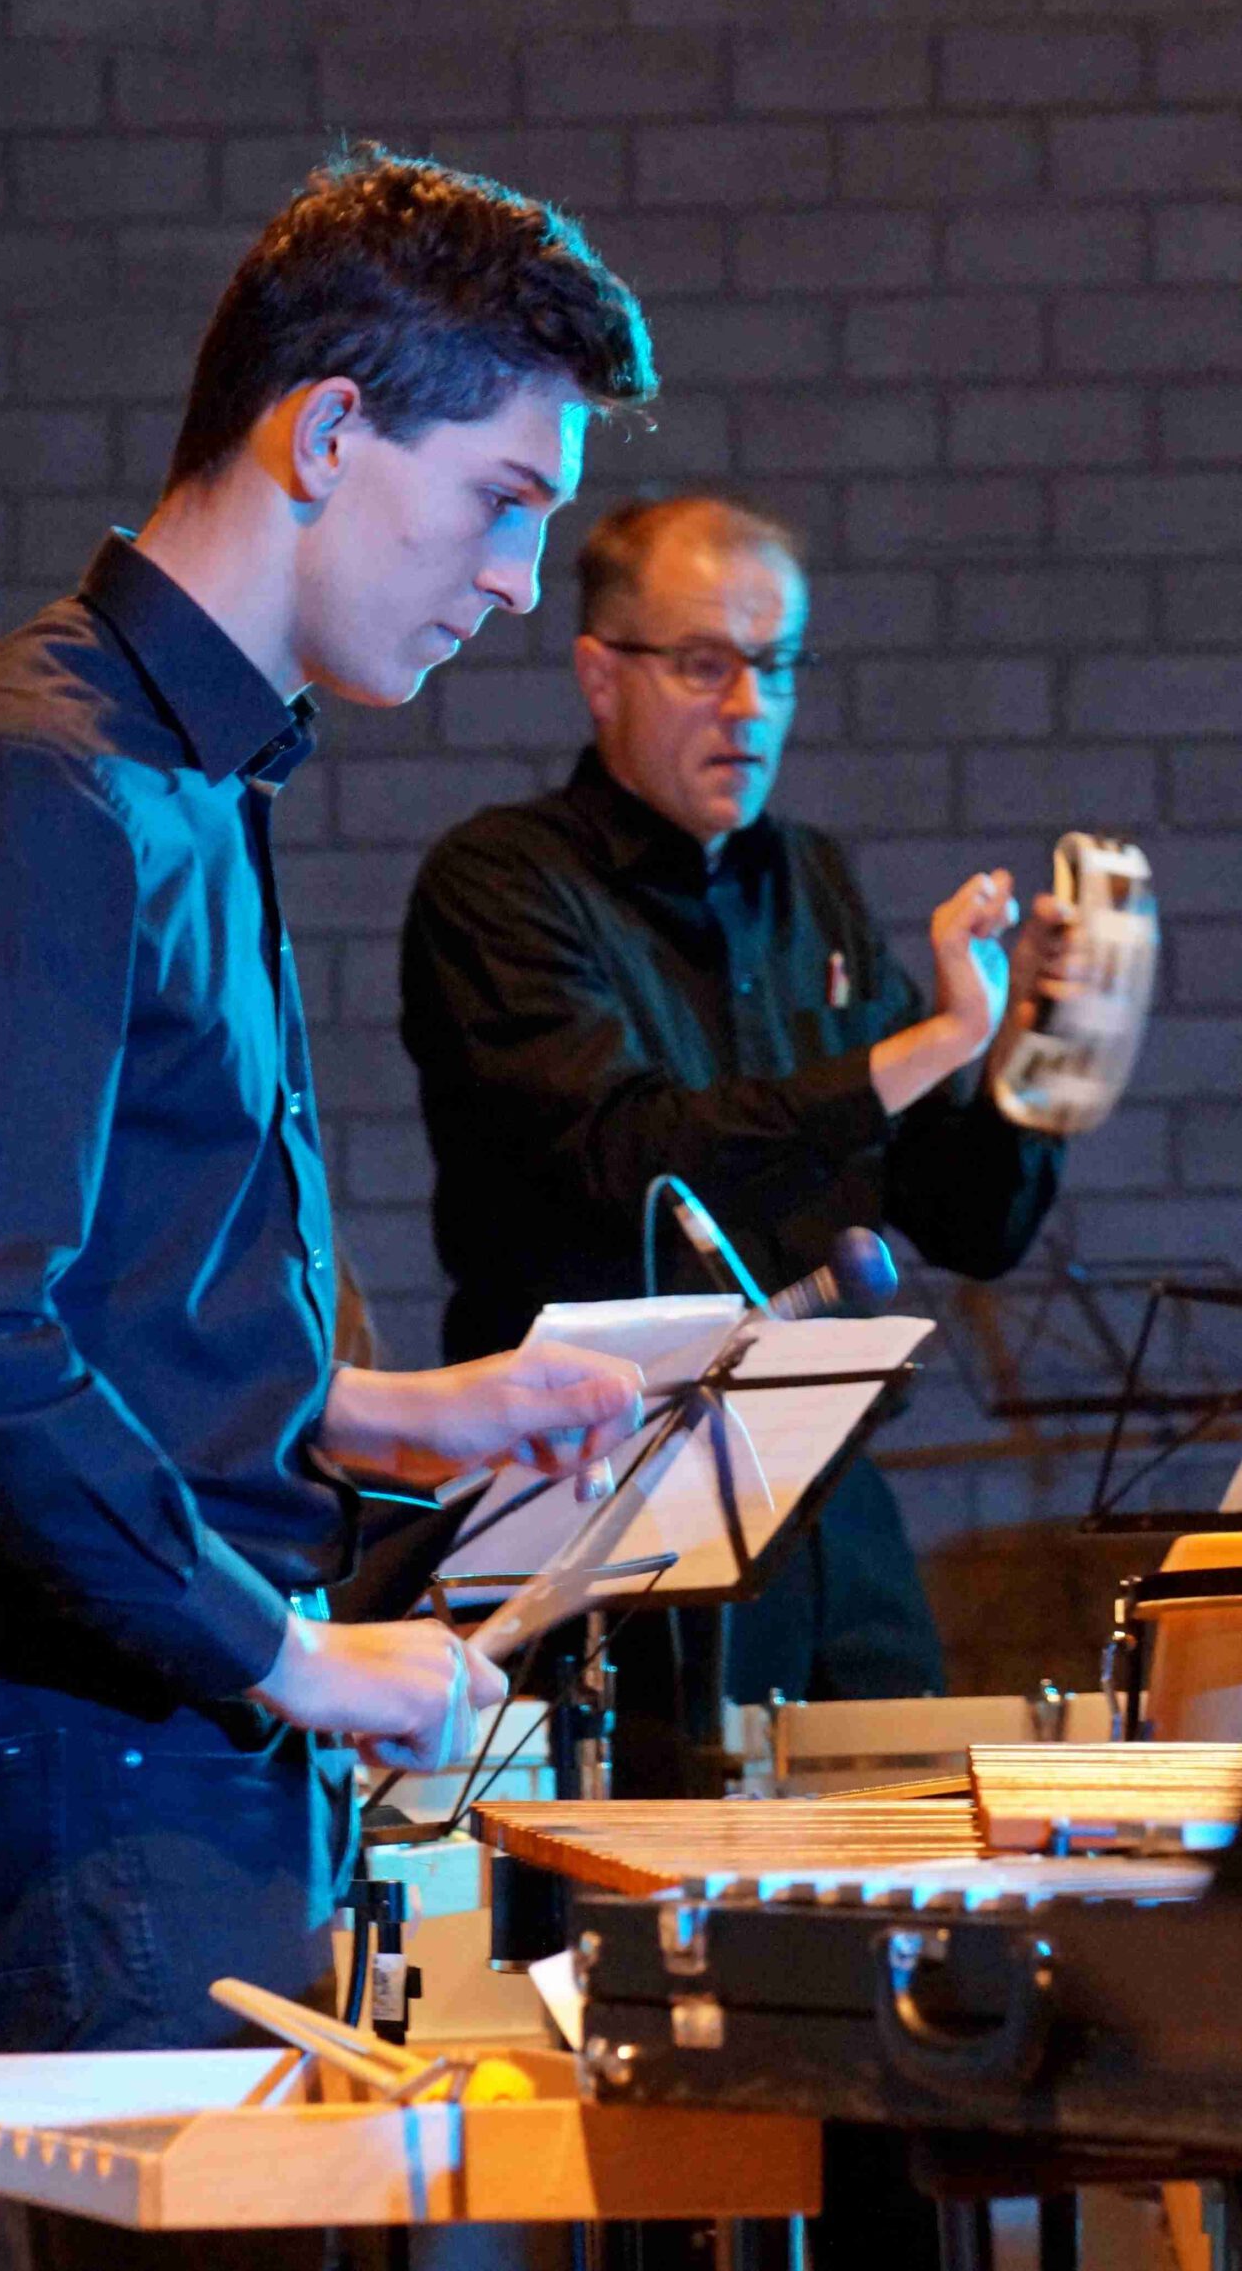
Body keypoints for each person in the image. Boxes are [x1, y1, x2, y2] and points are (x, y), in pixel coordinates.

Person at [0, 146, 656, 2259]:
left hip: (154, 1738)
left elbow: (115, 1295)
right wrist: (290, 1656)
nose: (515, 582)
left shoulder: (188, 772)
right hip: (90, 1742)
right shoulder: (40, 772)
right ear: (329, 430)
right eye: (502, 501)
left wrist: (383, 1409)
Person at [401, 494, 1071, 1733]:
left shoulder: (810, 881)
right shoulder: (503, 882)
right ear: (602, 675)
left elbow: (968, 1221)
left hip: (826, 1489)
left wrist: (1041, 1044)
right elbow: (632, 1160)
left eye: (777, 664)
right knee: (657, 1842)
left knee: (907, 1806)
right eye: (705, 664)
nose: (751, 706)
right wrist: (931, 1042)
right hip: (609, 1497)